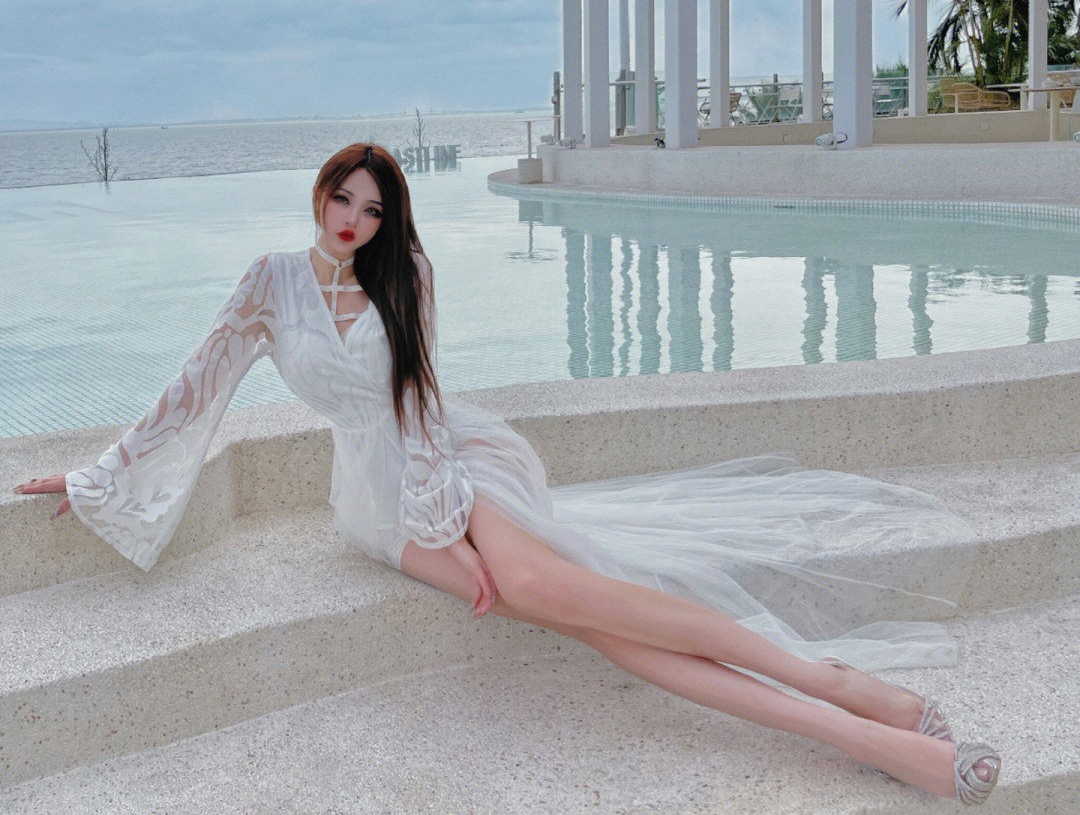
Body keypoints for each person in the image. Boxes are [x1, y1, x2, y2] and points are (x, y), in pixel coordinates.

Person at [16, 143, 1000, 806]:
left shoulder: (408, 277)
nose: (354, 218)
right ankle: (861, 721)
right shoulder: (269, 283)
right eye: (342, 198)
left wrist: (451, 527)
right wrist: (97, 476)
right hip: (370, 500)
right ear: (317, 195)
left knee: (544, 587)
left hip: (448, 458)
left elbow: (419, 406)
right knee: (590, 615)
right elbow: (196, 388)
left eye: (373, 207)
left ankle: (841, 698)